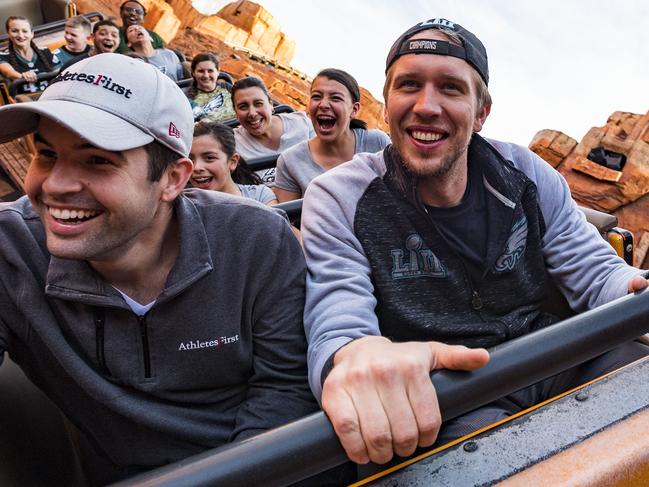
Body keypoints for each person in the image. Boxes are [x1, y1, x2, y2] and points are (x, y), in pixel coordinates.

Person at [301, 18, 649, 467]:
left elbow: (595, 269)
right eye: (409, 85)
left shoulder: (527, 173)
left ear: (481, 112)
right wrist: (353, 358)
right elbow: (338, 319)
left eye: (450, 88)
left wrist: (631, 287)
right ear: (386, 104)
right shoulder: (339, 196)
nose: (427, 106)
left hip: (555, 354)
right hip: (449, 394)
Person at [0, 53, 317, 485]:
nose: (55, 184)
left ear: (172, 178)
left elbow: (284, 388)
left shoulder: (255, 241)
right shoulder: (10, 248)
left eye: (97, 160)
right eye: (47, 154)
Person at [274, 68, 391, 202]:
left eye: (336, 98)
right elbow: (286, 219)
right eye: (316, 96)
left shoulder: (378, 143)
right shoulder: (291, 160)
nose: (323, 104)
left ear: (354, 110)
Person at [232, 76, 314, 185]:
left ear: (270, 104)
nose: (252, 113)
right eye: (243, 107)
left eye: (258, 103)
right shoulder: (233, 144)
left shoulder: (303, 125)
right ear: (235, 112)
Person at [191, 120, 277, 205]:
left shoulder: (259, 196)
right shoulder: (181, 207)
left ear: (232, 161)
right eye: (190, 159)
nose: (197, 167)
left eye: (209, 158)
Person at [0, 16, 60, 95]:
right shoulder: (3, 55)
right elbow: (9, 72)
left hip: (51, 96)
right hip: (24, 102)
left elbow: (59, 75)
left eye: (25, 31)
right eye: (15, 31)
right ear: (8, 33)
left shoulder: (45, 51)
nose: (21, 35)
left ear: (32, 34)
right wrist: (22, 76)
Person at [187, 52, 236, 123]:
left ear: (218, 71)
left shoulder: (227, 88)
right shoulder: (188, 100)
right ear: (193, 73)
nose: (206, 75)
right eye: (201, 71)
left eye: (210, 71)